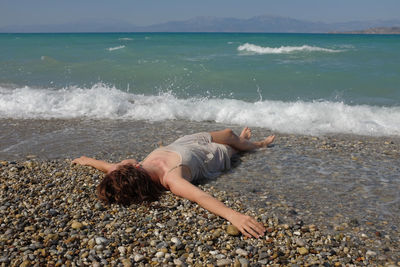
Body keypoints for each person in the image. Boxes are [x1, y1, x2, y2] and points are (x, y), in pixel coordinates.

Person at [72, 127, 275, 238]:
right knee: (232, 148)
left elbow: (110, 168)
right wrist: (234, 216)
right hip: (211, 156)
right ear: (135, 168)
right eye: (123, 164)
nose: (120, 162)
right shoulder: (172, 178)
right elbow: (201, 197)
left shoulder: (128, 172)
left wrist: (87, 160)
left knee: (228, 133)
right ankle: (258, 144)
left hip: (184, 143)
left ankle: (240, 139)